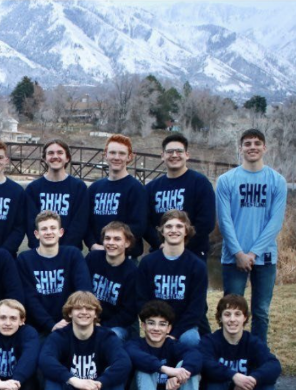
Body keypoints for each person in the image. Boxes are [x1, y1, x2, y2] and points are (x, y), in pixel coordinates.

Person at [216, 128, 287, 343]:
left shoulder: (277, 181)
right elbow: (224, 220)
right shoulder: (227, 180)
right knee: (230, 311)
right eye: (247, 143)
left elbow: (275, 222)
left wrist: (254, 253)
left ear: (264, 147)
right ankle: (230, 353)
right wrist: (238, 253)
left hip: (265, 258)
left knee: (261, 311)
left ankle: (258, 356)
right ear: (241, 148)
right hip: (232, 257)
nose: (252, 147)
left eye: (257, 143)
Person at [201, 294, 282, 390]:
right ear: (220, 318)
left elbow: (274, 365)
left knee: (264, 378)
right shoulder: (210, 341)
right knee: (215, 376)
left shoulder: (252, 342)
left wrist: (252, 379)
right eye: (227, 314)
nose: (232, 319)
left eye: (237, 314)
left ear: (245, 318)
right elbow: (203, 363)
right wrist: (233, 376)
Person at [136, 210, 208, 348]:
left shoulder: (197, 266)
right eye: (169, 226)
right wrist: (158, 327)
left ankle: (186, 368)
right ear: (162, 231)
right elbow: (141, 300)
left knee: (191, 339)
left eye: (179, 226)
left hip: (185, 327)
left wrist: (174, 333)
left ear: (187, 231)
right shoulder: (148, 263)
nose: (174, 230)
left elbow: (196, 308)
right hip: (155, 326)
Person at [18, 210, 91, 337]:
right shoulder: (25, 259)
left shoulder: (72, 255)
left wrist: (70, 320)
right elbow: (29, 298)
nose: (49, 232)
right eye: (44, 229)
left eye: (53, 228)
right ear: (36, 234)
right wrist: (50, 324)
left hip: (70, 323)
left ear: (60, 232)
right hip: (37, 327)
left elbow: (83, 290)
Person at [145, 134, 215, 259]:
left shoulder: (200, 183)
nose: (174, 155)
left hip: (193, 255)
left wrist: (179, 245)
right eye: (170, 152)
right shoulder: (151, 188)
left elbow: (206, 222)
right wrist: (161, 244)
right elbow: (145, 223)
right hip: (159, 253)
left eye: (179, 151)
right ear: (162, 156)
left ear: (187, 155)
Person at [85, 134, 147, 259]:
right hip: (97, 254)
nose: (116, 157)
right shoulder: (94, 188)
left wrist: (114, 245)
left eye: (121, 153)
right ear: (105, 155)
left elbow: (139, 226)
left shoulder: (136, 189)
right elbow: (86, 222)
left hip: (125, 258)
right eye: (112, 153)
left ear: (129, 157)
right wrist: (92, 244)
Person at [25, 139, 88, 250]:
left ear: (67, 158)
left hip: (69, 252)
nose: (55, 156)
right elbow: (30, 224)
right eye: (50, 153)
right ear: (44, 158)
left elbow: (79, 223)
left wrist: (63, 251)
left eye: (60, 152)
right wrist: (42, 249)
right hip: (41, 251)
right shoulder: (33, 188)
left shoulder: (78, 187)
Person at [85, 222, 138, 341]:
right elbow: (82, 291)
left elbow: (128, 313)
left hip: (117, 325)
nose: (111, 243)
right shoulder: (92, 259)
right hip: (87, 318)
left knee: (111, 337)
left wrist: (102, 326)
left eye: (117, 239)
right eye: (107, 238)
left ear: (127, 243)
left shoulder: (132, 272)